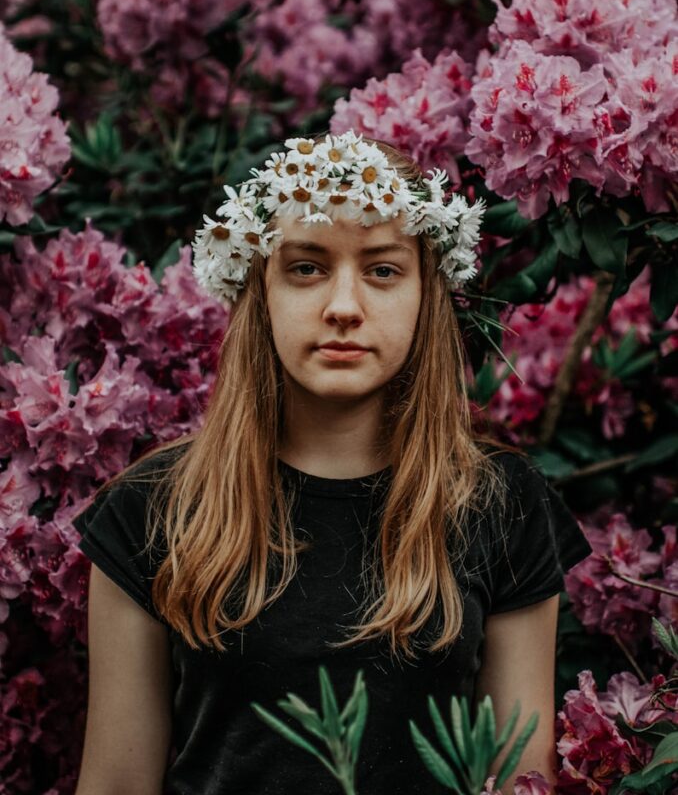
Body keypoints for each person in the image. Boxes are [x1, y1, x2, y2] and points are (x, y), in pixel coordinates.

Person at [71, 131, 592, 795]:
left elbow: (521, 780)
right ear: (260, 290)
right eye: (307, 267)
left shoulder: (499, 503)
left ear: (425, 295)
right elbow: (117, 784)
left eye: (382, 270)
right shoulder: (151, 510)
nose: (344, 307)